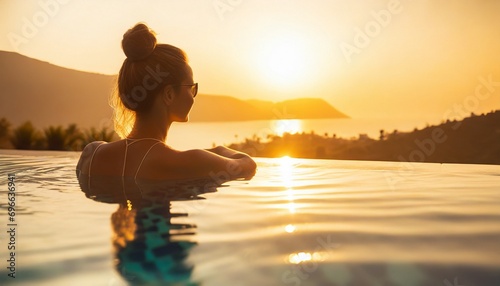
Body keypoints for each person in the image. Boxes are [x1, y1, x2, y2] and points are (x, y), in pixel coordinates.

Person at [76, 23, 256, 182]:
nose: (193, 96)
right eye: (191, 87)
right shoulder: (191, 161)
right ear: (169, 94)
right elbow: (248, 165)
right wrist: (218, 150)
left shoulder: (92, 154)